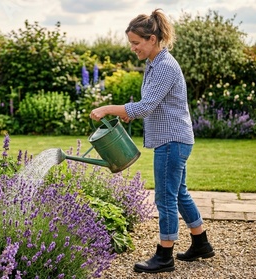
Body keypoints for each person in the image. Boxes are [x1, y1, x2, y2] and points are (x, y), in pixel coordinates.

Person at [90, 8, 215, 273]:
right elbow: (153, 105)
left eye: (136, 43)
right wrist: (130, 115)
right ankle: (201, 242)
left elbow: (145, 106)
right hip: (174, 139)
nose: (133, 48)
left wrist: (108, 109)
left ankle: (164, 256)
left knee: (165, 199)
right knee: (178, 193)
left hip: (172, 142)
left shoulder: (164, 66)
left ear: (153, 39)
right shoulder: (154, 64)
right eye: (131, 43)